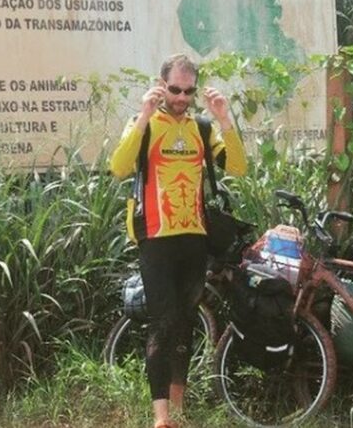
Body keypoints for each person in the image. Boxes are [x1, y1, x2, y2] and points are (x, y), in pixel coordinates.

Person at [110, 53, 247, 428]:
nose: (181, 98)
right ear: (161, 84)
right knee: (163, 321)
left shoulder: (202, 129)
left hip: (194, 238)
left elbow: (237, 167)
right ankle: (160, 417)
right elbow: (119, 167)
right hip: (155, 237)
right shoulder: (145, 125)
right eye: (174, 90)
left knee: (185, 322)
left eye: (188, 91)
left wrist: (223, 119)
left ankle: (179, 412)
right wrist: (142, 116)